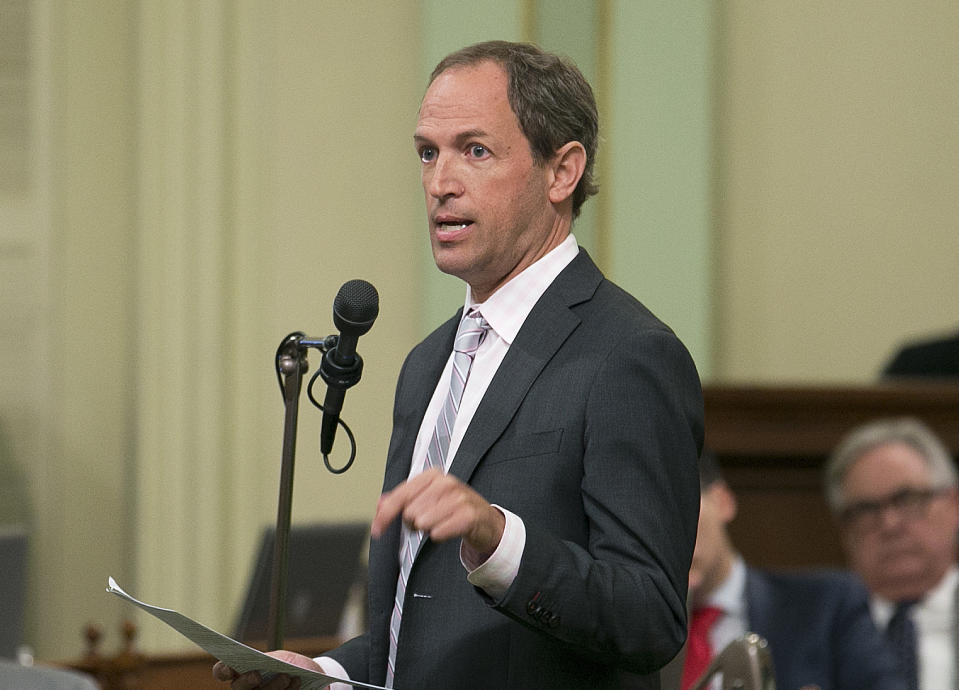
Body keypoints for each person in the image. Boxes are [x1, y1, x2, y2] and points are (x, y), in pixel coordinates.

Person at [215, 40, 703, 689]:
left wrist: (499, 539)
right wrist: (325, 670)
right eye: (427, 151)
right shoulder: (426, 364)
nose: (440, 181)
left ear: (561, 170)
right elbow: (418, 629)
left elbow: (649, 619)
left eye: (474, 150)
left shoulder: (628, 354)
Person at [663, 451, 903, 690]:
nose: (667, 537)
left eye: (680, 511)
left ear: (722, 502)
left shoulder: (826, 605)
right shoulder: (633, 635)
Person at [824, 417, 959, 690]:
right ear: (844, 532)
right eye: (866, 510)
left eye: (908, 500)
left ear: (954, 504)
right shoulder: (817, 633)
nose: (889, 525)